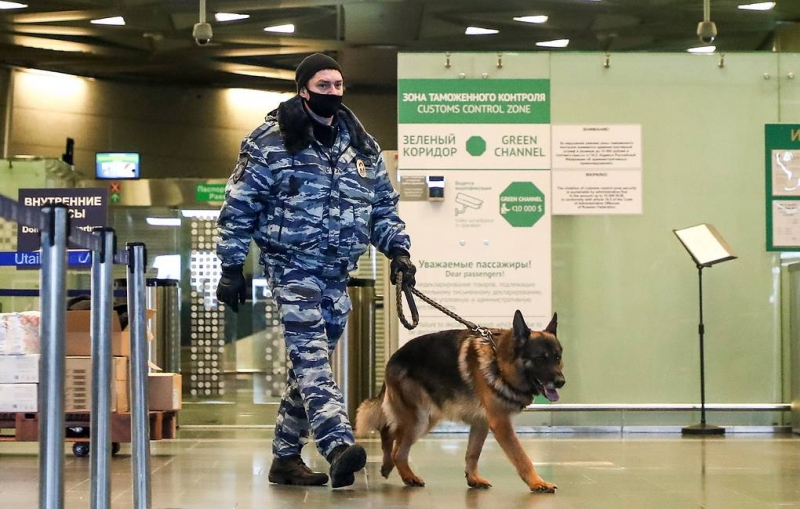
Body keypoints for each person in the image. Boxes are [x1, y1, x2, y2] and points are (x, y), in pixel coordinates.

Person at [215, 53, 416, 488]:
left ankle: (285, 457)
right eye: (323, 86)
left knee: (307, 368)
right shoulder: (269, 142)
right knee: (311, 359)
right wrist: (231, 265)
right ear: (303, 90)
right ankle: (337, 444)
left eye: (338, 85)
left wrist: (398, 251)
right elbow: (239, 206)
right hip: (291, 267)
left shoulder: (361, 145)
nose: (333, 93)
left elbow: (382, 207)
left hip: (337, 272)